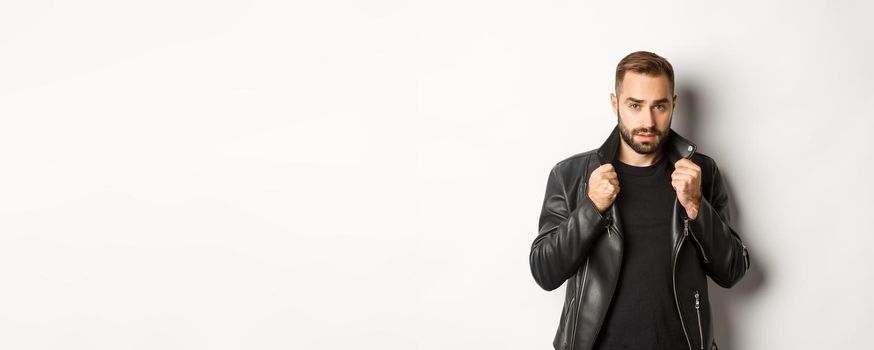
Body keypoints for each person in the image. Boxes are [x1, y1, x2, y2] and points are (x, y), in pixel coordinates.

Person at [529, 51, 750, 350]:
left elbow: (732, 271)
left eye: (659, 106)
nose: (648, 121)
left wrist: (697, 207)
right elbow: (545, 271)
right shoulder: (571, 175)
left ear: (673, 104)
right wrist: (591, 207)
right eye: (635, 105)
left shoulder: (701, 174)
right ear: (615, 103)